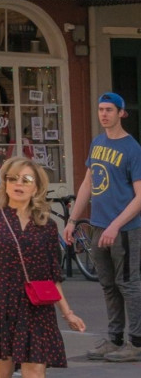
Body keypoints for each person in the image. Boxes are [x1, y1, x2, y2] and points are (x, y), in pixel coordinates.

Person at [0, 156, 86, 376]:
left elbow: (53, 277)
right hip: (1, 306)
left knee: (35, 371)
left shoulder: (47, 226)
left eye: (26, 179)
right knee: (2, 371)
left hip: (37, 307)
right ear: (5, 184)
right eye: (12, 178)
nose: (18, 183)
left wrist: (68, 314)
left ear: (36, 188)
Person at [64, 91, 141, 362]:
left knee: (128, 285)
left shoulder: (133, 149)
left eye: (109, 109)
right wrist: (72, 220)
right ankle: (115, 339)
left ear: (122, 113)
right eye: (101, 110)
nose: (104, 114)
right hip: (97, 226)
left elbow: (140, 196)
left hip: (125, 229)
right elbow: (88, 183)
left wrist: (115, 226)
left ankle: (137, 343)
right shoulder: (97, 143)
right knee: (107, 284)